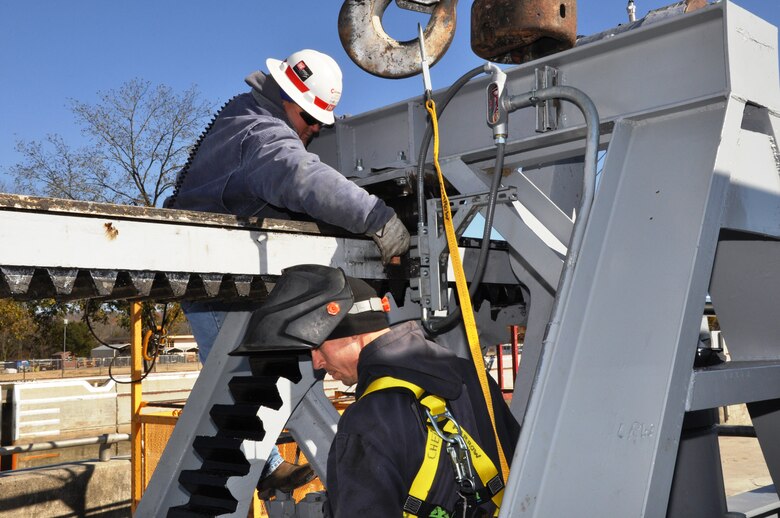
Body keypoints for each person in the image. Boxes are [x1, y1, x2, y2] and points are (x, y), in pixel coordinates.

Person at [165, 49, 409, 496]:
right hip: (211, 273)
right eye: (310, 118)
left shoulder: (250, 118)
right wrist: (377, 217)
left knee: (256, 373)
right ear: (286, 98)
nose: (314, 130)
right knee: (239, 377)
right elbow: (298, 176)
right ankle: (266, 469)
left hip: (226, 274)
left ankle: (268, 467)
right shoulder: (261, 134)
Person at [308, 270, 520, 517]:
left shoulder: (365, 420)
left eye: (319, 346)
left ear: (354, 332)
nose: (316, 363)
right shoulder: (471, 377)